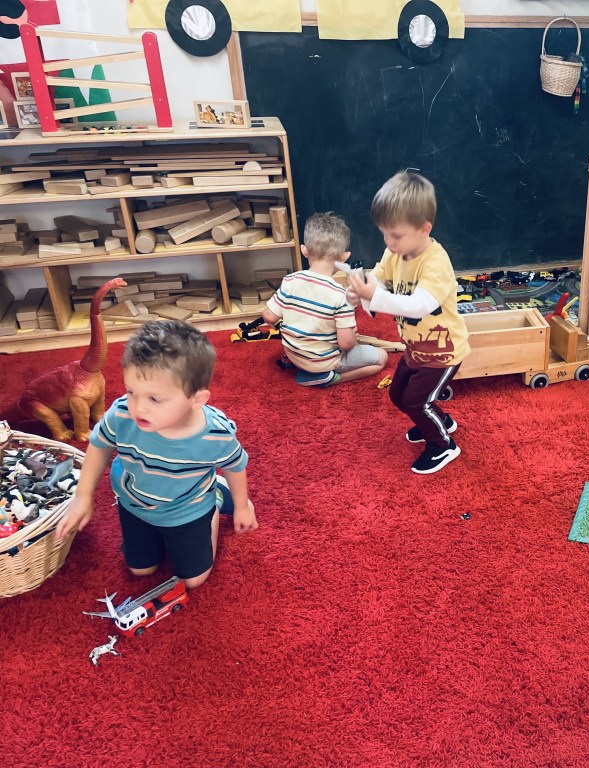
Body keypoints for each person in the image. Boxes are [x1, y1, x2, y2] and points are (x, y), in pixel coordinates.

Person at [55, 320, 258, 589]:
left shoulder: (216, 433)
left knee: (192, 581)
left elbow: (234, 466)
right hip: (134, 504)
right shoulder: (121, 413)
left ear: (197, 399)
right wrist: (83, 495)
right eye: (131, 391)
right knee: (140, 570)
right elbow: (99, 445)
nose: (138, 408)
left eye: (155, 399)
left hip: (188, 507)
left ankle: (216, 498)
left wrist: (242, 507)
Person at [348, 170, 469, 475]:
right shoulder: (395, 253)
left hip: (442, 353)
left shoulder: (435, 262)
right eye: (384, 234)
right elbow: (378, 276)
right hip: (415, 348)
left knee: (415, 402)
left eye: (396, 235)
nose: (389, 242)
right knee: (398, 395)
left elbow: (419, 306)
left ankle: (443, 445)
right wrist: (362, 291)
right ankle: (440, 421)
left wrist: (374, 296)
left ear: (424, 228)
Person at [263, 212, 387, 388]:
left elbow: (269, 317)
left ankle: (307, 365)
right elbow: (346, 344)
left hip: (293, 355)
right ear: (344, 257)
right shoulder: (341, 295)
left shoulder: (290, 280)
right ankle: (334, 378)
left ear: (304, 250)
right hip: (323, 362)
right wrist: (351, 334)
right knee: (382, 358)